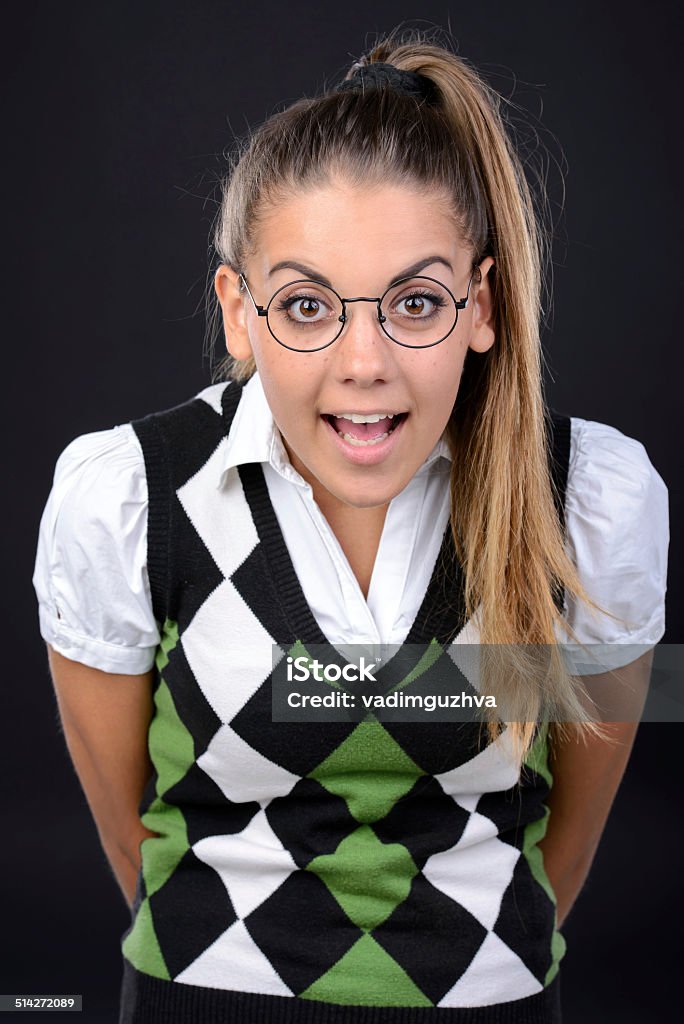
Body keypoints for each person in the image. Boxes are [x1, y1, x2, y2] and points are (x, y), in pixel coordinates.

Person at [33, 27, 669, 1024]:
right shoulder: (127, 500)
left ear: (483, 306)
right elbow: (134, 840)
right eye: (305, 305)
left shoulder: (593, 499)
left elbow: (566, 846)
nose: (363, 360)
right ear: (239, 314)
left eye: (416, 302)